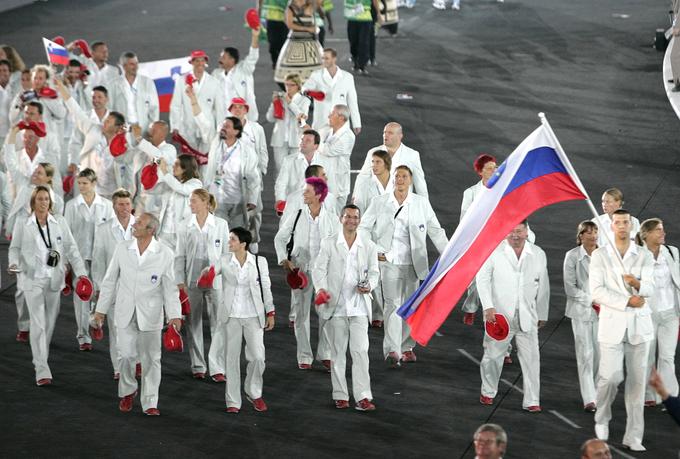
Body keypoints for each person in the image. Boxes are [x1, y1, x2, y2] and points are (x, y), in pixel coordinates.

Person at [93, 213, 182, 416]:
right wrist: (100, 311)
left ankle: (150, 401)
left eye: (139, 223)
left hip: (150, 314)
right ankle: (127, 391)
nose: (134, 224)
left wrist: (174, 315)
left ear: (151, 230)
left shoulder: (165, 253)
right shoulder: (122, 248)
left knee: (152, 359)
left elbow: (170, 288)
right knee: (125, 355)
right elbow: (109, 280)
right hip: (124, 311)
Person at [359, 165, 448, 366]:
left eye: (404, 176)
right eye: (397, 176)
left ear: (411, 180)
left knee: (410, 308)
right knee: (392, 305)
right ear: (393, 180)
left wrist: (449, 253)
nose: (400, 179)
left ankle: (407, 347)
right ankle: (393, 350)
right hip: (388, 262)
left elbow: (435, 230)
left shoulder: (421, 203)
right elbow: (364, 227)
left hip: (413, 264)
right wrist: (374, 251)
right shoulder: (380, 202)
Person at [8, 186, 88, 386]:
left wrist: (82, 275)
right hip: (31, 279)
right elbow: (14, 248)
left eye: (46, 199)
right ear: (33, 202)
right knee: (39, 324)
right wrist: (13, 263)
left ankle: (40, 357)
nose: (43, 202)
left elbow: (72, 249)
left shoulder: (59, 222)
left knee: (50, 323)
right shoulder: (22, 223)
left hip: (54, 280)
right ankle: (42, 368)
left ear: (50, 202)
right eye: (40, 199)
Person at [590, 209, 655, 451]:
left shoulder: (644, 255)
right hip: (612, 324)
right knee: (611, 377)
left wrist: (637, 284)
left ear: (632, 226)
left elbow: (651, 287)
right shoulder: (600, 256)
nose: (622, 226)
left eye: (625, 222)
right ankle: (602, 417)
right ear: (611, 226)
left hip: (640, 326)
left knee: (638, 384)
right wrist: (626, 300)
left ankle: (634, 436)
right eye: (617, 222)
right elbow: (596, 292)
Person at [313, 204, 380, 411]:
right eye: (348, 216)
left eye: (355, 217)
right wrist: (321, 290)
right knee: (338, 353)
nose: (352, 220)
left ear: (359, 220)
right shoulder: (329, 243)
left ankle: (363, 397)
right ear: (341, 218)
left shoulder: (368, 245)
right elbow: (318, 270)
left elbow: (375, 273)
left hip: (359, 307)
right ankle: (340, 395)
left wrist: (369, 286)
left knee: (360, 352)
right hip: (337, 308)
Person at [477, 220, 549, 411]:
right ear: (505, 232)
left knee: (533, 359)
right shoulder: (494, 251)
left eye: (519, 231)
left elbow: (544, 285)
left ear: (527, 232)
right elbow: (482, 279)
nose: (515, 235)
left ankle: (532, 401)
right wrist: (488, 307)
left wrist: (542, 312)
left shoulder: (538, 254)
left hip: (528, 316)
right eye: (512, 231)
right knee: (493, 357)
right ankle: (488, 391)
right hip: (499, 317)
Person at [274, 177, 338, 369]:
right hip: (300, 270)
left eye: (307, 191)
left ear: (318, 195)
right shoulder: (296, 215)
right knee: (301, 315)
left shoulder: (333, 219)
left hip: (324, 273)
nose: (303, 194)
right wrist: (283, 259)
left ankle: (325, 353)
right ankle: (304, 356)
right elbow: (280, 238)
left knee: (325, 313)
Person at [175, 189, 230, 381]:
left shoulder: (221, 225)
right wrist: (179, 283)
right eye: (190, 201)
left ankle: (217, 368)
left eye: (194, 201)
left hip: (215, 280)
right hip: (192, 279)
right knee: (193, 323)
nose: (191, 204)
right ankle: (198, 365)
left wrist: (218, 271)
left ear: (206, 203)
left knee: (218, 323)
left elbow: (226, 254)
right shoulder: (184, 226)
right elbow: (179, 256)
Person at [220, 227, 275, 413]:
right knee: (231, 359)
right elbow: (211, 270)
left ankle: (253, 392)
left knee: (258, 357)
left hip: (254, 315)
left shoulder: (260, 262)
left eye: (233, 239)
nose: (229, 243)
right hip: (231, 316)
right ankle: (233, 402)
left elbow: (266, 287)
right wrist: (206, 274)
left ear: (243, 244)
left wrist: (271, 312)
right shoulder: (224, 260)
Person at [56, 78, 134, 199]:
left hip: (113, 193)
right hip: (91, 189)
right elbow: (75, 110)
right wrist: (61, 87)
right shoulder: (93, 129)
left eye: (108, 122)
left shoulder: (124, 146)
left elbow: (129, 173)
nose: (104, 123)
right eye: (105, 120)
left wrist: (129, 196)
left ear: (118, 129)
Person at [64, 168, 114, 351]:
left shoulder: (107, 206)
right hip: (79, 256)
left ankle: (95, 322)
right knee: (82, 295)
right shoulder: (71, 206)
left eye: (85, 183)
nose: (81, 186)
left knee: (100, 293)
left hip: (101, 256)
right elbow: (66, 233)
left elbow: (112, 232)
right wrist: (66, 261)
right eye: (79, 183)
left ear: (94, 184)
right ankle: (83, 336)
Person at [91, 189, 136, 379]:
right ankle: (118, 367)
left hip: (137, 287)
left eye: (127, 204)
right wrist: (99, 286)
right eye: (120, 204)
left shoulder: (141, 226)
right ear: (114, 206)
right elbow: (98, 260)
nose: (124, 208)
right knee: (116, 328)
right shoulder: (104, 229)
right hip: (113, 287)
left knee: (136, 327)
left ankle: (136, 361)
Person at [199, 112, 261, 246]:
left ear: (236, 131)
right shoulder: (216, 144)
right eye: (223, 125)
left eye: (227, 126)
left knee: (237, 235)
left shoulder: (246, 151)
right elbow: (204, 125)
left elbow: (253, 176)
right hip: (217, 198)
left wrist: (252, 199)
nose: (223, 128)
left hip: (238, 200)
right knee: (218, 234)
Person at [635, 219, 679, 406]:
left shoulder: (672, 251)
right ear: (646, 234)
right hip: (647, 314)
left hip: (671, 312)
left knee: (668, 357)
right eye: (659, 230)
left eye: (663, 229)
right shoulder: (636, 255)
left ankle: (671, 398)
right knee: (648, 355)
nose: (663, 233)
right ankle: (648, 394)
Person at [563, 221, 600, 412]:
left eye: (595, 232)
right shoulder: (572, 256)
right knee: (585, 354)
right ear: (581, 236)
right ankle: (589, 398)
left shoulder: (606, 255)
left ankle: (596, 391)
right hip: (581, 311)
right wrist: (592, 300)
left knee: (600, 355)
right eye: (588, 232)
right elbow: (570, 288)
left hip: (603, 313)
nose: (593, 236)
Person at [170, 48, 224, 154]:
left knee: (206, 160)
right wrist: (175, 126)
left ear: (205, 62)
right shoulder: (181, 81)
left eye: (202, 60)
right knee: (189, 161)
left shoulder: (214, 82)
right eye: (196, 61)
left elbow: (219, 108)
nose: (200, 63)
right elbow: (175, 105)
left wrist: (220, 128)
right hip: (187, 126)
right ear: (192, 62)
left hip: (208, 127)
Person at [354, 122, 427, 197]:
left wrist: (425, 206)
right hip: (375, 202)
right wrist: (355, 198)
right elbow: (362, 178)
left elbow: (419, 183)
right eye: (384, 132)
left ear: (400, 136)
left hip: (400, 203)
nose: (386, 135)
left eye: (390, 133)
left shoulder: (412, 155)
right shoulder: (373, 152)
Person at [148, 154, 203, 249]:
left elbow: (182, 189)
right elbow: (149, 190)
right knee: (164, 261)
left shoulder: (195, 183)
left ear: (185, 168)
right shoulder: (171, 183)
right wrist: (152, 171)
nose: (173, 166)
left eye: (177, 164)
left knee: (179, 262)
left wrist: (165, 171)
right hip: (164, 232)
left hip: (180, 233)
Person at [302, 48, 361, 132]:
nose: (323, 61)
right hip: (321, 122)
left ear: (334, 59)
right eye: (322, 58)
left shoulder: (348, 77)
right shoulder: (316, 75)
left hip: (341, 123)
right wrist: (312, 93)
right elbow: (303, 90)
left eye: (326, 58)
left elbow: (352, 102)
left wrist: (356, 123)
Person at [266, 73, 311, 176]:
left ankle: (295, 191)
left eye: (291, 85)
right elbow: (270, 118)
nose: (288, 87)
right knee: (280, 169)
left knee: (296, 170)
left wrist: (289, 102)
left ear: (298, 86)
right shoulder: (280, 98)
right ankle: (280, 192)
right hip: (279, 139)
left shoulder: (305, 100)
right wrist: (274, 103)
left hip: (296, 139)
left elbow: (301, 117)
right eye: (286, 84)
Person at [212, 27, 261, 122]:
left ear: (232, 60)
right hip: (223, 122)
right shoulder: (216, 74)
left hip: (243, 120)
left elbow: (253, 56)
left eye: (223, 57)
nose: (220, 59)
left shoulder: (244, 70)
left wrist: (255, 37)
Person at [108, 52, 159, 135]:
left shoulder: (148, 82)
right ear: (124, 66)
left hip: (144, 129)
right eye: (132, 64)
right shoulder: (113, 85)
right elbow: (109, 108)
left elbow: (154, 108)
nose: (136, 67)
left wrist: (152, 129)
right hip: (121, 130)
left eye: (136, 63)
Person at [315, 104, 356, 211]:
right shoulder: (328, 130)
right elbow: (315, 138)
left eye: (332, 114)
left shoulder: (348, 136)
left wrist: (314, 142)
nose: (329, 116)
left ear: (341, 118)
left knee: (335, 220)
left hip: (337, 187)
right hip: (324, 182)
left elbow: (327, 150)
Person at [275, 0, 324, 83]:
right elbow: (290, 24)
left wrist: (318, 6)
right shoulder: (290, 8)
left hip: (310, 42)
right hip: (295, 41)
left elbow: (321, 10)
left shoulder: (310, 5)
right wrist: (307, 29)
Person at [274, 129, 321, 211]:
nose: (303, 142)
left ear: (315, 146)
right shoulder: (289, 160)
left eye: (308, 141)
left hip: (317, 207)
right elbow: (281, 184)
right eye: (302, 140)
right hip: (294, 206)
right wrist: (280, 200)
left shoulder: (324, 161)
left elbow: (330, 186)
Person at [345, 0, 382, 74]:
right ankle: (355, 62)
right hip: (352, 18)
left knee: (364, 43)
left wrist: (378, 13)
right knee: (353, 42)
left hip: (365, 19)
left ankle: (362, 66)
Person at [352, 149, 390, 213]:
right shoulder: (363, 186)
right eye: (372, 162)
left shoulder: (397, 184)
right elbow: (358, 212)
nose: (374, 165)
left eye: (378, 162)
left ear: (386, 164)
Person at [259, 0, 290, 69]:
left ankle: (281, 62)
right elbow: (260, 2)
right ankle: (275, 61)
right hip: (271, 19)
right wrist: (258, 14)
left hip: (285, 20)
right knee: (272, 43)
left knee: (283, 44)